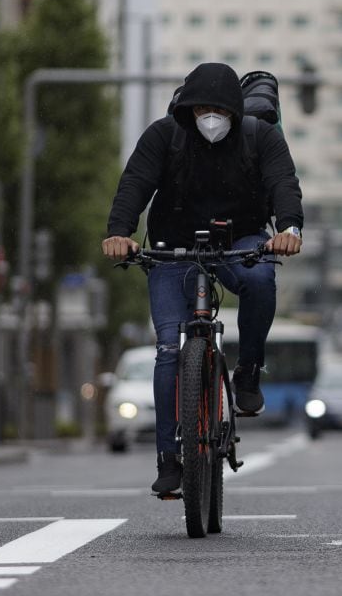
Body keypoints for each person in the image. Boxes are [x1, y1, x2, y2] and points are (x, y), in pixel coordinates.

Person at [102, 63, 303, 494]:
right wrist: (119, 232)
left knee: (262, 281)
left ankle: (248, 372)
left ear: (236, 110)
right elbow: (134, 183)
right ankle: (169, 459)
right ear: (186, 109)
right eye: (201, 109)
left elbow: (285, 184)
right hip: (172, 245)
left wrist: (289, 230)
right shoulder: (163, 136)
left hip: (241, 239)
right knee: (168, 348)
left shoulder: (259, 137)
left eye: (220, 109)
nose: (210, 117)